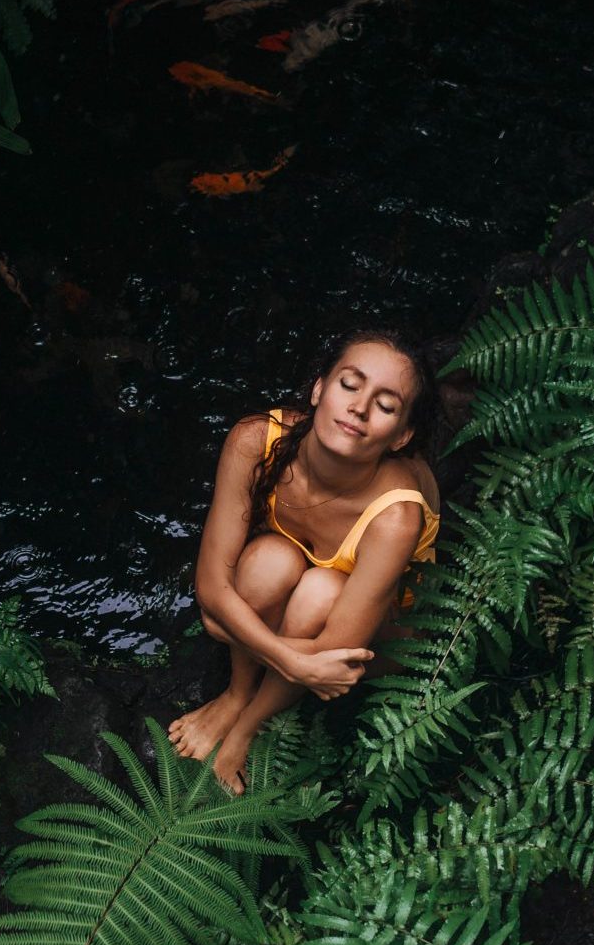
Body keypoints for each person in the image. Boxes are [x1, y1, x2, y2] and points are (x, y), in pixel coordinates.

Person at [171, 330, 445, 793]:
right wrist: (291, 661)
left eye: (385, 405)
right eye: (349, 384)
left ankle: (248, 724)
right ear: (319, 389)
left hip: (372, 637)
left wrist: (234, 625)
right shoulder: (255, 440)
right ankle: (237, 693)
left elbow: (340, 651)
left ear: (402, 436)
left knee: (321, 589)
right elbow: (212, 585)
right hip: (300, 642)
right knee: (268, 560)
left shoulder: (397, 515)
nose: (359, 407)